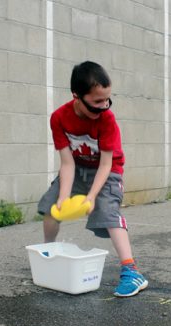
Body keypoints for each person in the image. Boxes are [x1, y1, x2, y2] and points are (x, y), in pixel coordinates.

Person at [37, 61, 147, 297]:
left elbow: (106, 163)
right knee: (51, 208)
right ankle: (48, 254)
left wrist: (91, 196)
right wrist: (64, 198)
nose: (104, 105)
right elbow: (67, 162)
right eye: (97, 101)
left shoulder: (107, 119)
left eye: (107, 99)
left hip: (107, 171)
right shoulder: (59, 118)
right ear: (77, 96)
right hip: (77, 170)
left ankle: (131, 271)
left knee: (109, 213)